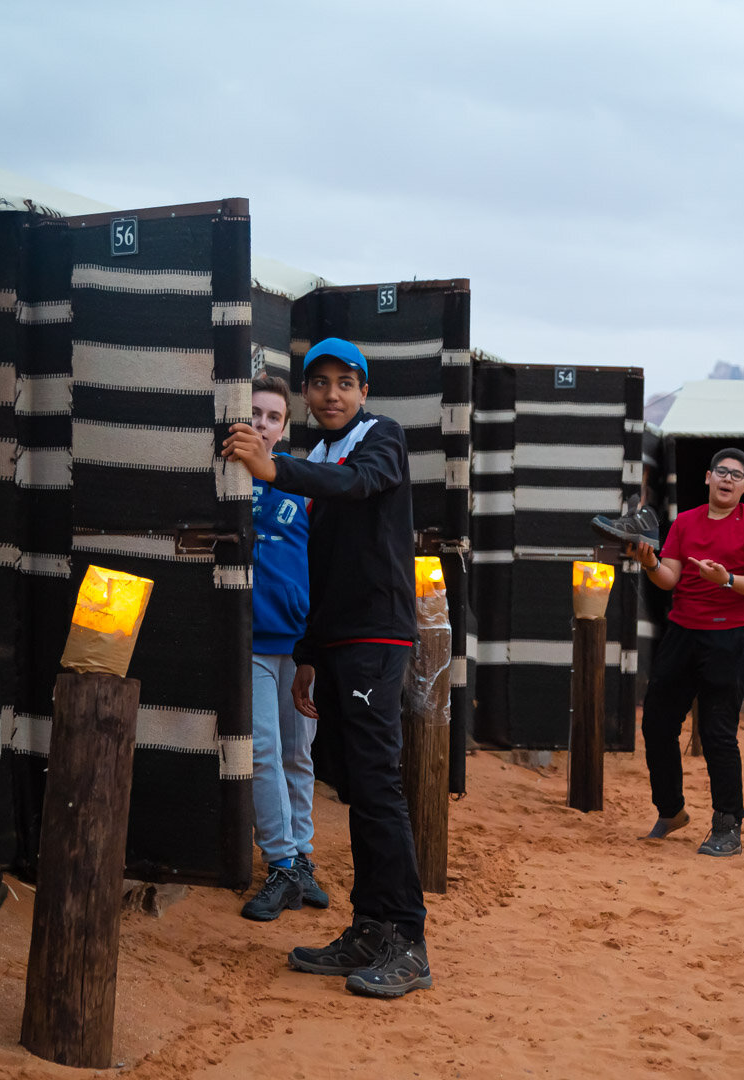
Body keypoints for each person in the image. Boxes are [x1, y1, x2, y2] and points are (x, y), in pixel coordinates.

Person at [221, 337, 431, 998]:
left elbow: (360, 484)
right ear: (307, 394)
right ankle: (369, 929)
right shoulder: (317, 455)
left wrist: (276, 471)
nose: (334, 394)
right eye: (322, 383)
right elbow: (321, 564)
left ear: (364, 392)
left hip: (376, 639)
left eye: (347, 382)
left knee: (376, 783)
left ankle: (407, 939)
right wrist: (308, 654)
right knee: (357, 790)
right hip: (335, 643)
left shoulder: (381, 439)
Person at [628, 448, 744, 857]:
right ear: (708, 478)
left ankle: (728, 825)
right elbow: (670, 577)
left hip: (730, 638)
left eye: (737, 475)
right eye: (721, 472)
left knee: (717, 733)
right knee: (657, 723)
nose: (727, 479)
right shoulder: (685, 522)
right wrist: (649, 563)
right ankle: (671, 810)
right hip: (683, 633)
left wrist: (727, 579)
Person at [239, 374, 330, 921]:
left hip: (298, 646)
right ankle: (280, 864)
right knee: (263, 752)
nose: (262, 424)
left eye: (273, 416)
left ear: (285, 427)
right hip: (250, 639)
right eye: (255, 413)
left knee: (299, 754)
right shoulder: (226, 476)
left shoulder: (303, 481)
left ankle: (301, 856)